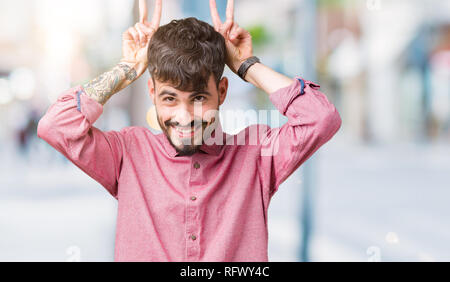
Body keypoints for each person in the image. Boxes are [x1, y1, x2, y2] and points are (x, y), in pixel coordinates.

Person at [37, 0, 342, 262]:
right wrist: (126, 68)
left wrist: (246, 64)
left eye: (198, 98)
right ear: (152, 92)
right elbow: (56, 126)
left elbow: (320, 118)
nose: (184, 118)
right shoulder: (127, 153)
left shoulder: (257, 154)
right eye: (170, 99)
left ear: (222, 92)